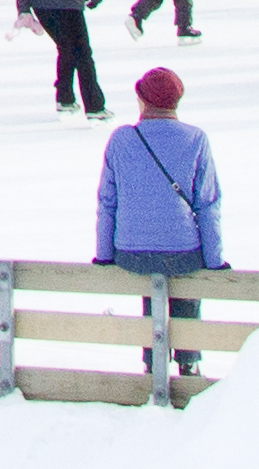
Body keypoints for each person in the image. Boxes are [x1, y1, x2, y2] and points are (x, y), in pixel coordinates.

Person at [95, 67, 226, 393]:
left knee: (148, 276)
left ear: (141, 100)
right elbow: (208, 204)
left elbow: (107, 202)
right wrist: (214, 261)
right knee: (185, 283)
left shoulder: (122, 139)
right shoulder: (195, 139)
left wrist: (104, 256)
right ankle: (189, 362)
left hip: (131, 251)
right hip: (183, 251)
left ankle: (152, 364)